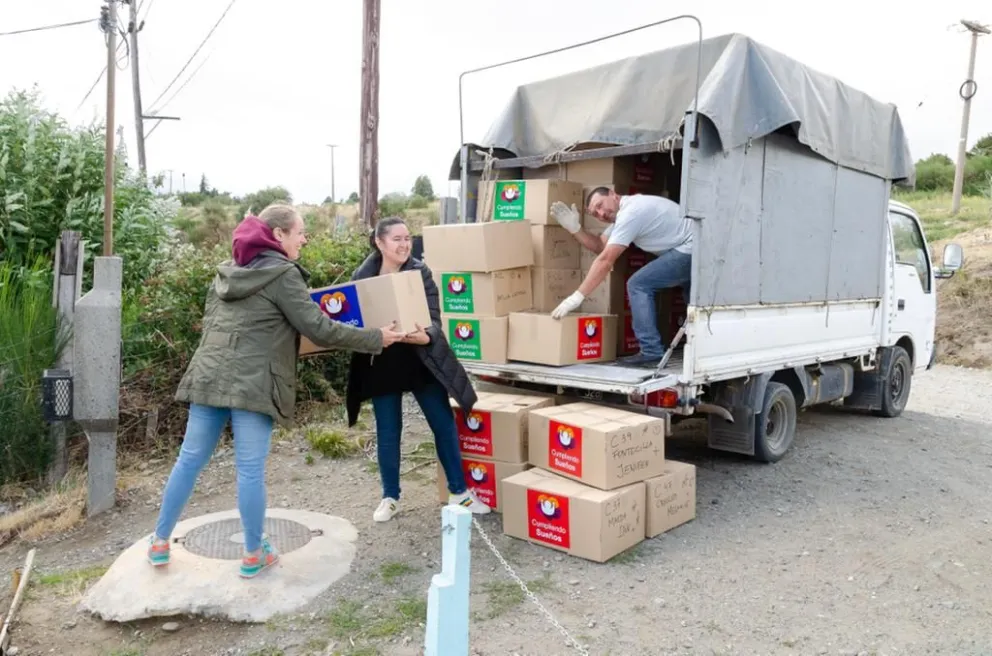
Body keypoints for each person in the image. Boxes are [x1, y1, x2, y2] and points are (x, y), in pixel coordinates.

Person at [148, 204, 406, 578]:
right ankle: (253, 553)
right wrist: (375, 338)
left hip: (208, 376)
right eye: (299, 232)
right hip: (253, 382)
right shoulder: (283, 275)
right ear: (278, 235)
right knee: (249, 469)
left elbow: (215, 326)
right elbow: (319, 329)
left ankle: (159, 543)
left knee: (189, 460)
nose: (304, 238)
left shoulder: (229, 271)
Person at [344, 217, 491, 522]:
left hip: (421, 360)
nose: (404, 244)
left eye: (407, 238)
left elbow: (434, 319)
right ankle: (391, 496)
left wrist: (426, 336)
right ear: (379, 242)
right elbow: (355, 325)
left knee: (443, 424)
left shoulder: (419, 272)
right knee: (387, 432)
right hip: (382, 364)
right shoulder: (362, 276)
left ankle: (459, 492)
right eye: (396, 239)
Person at [549, 187, 693, 366]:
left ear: (613, 194)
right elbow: (601, 245)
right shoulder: (624, 212)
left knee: (638, 284)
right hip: (691, 248)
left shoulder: (631, 213)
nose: (601, 214)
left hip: (691, 248)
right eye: (596, 213)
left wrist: (577, 297)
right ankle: (698, 345)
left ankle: (651, 351)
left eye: (601, 205)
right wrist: (575, 229)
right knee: (692, 299)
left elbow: (605, 260)